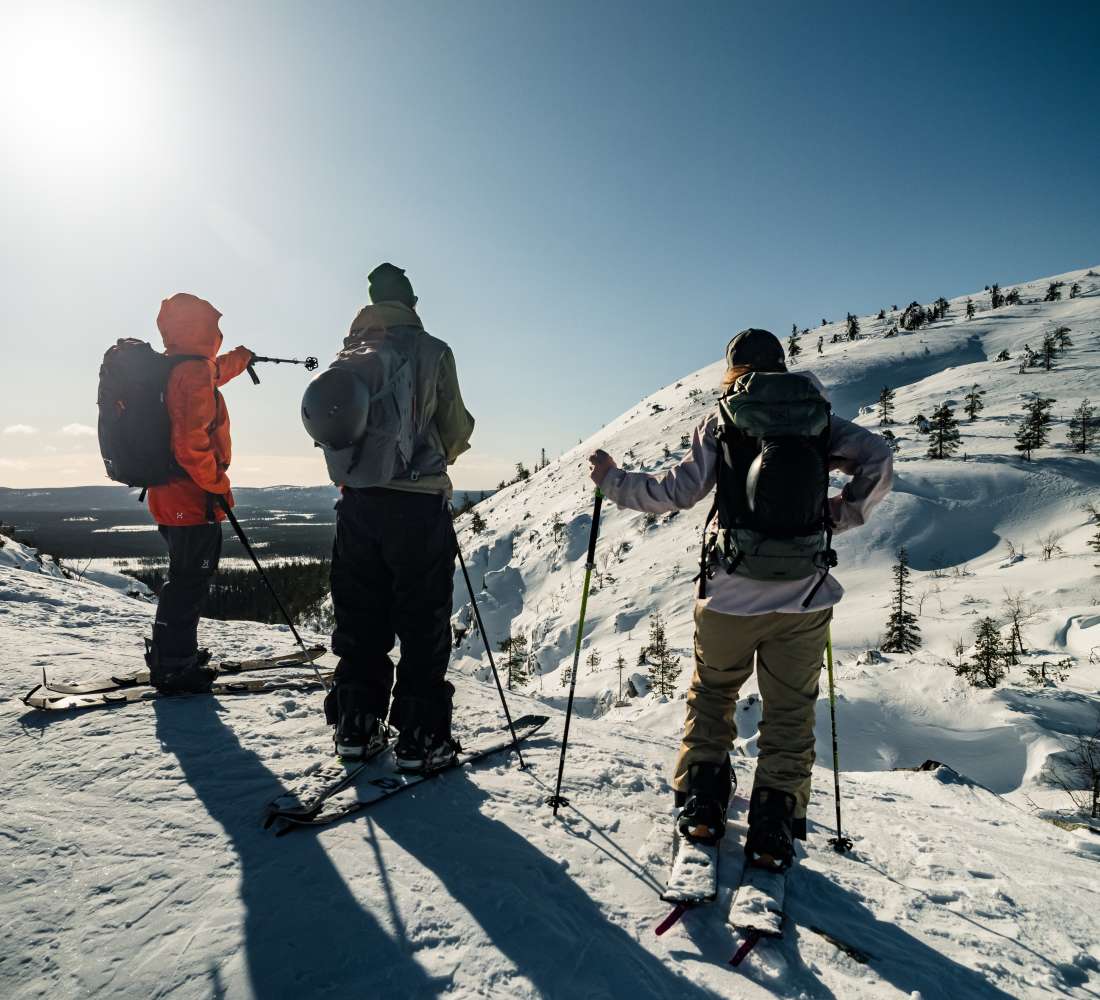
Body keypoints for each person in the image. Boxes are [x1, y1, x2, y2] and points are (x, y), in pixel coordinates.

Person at [588, 328, 893, 872]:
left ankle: (703, 802)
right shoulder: (820, 421)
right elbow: (878, 458)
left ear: (735, 371)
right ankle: (775, 821)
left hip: (729, 591)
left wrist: (612, 480)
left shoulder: (723, 419)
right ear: (782, 366)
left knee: (712, 695)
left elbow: (675, 493)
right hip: (803, 595)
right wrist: (836, 515)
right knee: (790, 712)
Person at [320, 263, 474, 770]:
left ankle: (357, 725)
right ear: (410, 302)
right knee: (422, 617)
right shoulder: (432, 350)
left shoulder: (353, 350)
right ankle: (420, 736)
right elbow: (454, 429)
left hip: (357, 504)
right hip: (416, 504)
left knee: (361, 616)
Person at [145, 293, 254, 693]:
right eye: (213, 326)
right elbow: (191, 445)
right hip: (191, 499)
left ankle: (175, 652)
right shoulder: (191, 374)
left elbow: (214, 373)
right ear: (201, 328)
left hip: (171, 496)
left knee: (185, 576)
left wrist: (241, 360)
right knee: (190, 581)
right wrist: (218, 485)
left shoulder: (180, 364)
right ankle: (174, 665)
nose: (218, 333)